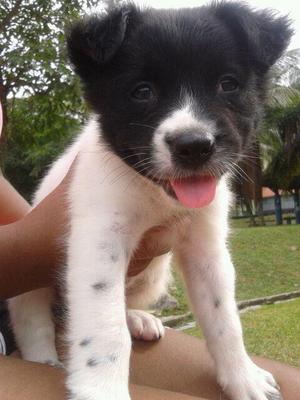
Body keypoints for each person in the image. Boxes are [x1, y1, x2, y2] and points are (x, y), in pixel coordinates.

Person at [1, 101, 300, 400]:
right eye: (144, 92)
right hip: (38, 327)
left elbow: (208, 257)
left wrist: (235, 365)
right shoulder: (104, 157)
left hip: (74, 308)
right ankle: (39, 350)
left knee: (291, 390)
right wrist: (42, 351)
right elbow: (42, 246)